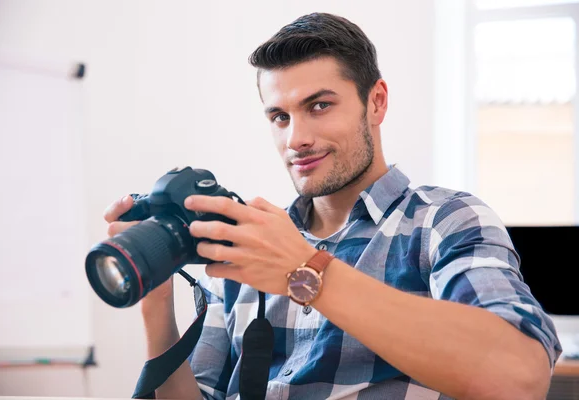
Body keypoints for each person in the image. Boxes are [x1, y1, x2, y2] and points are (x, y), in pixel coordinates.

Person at [104, 12, 561, 400]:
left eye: (319, 106)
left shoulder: (444, 220)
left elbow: (518, 375)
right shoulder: (253, 241)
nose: (296, 138)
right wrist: (156, 300)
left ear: (376, 102)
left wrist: (305, 269)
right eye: (280, 117)